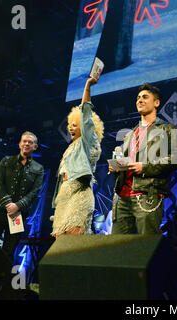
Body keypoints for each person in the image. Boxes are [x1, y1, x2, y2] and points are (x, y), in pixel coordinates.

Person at [109, 83, 177, 235]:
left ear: (156, 103)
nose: (140, 100)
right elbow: (127, 162)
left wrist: (145, 167)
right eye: (138, 98)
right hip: (122, 197)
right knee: (116, 251)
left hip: (148, 196)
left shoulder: (168, 129)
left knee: (145, 249)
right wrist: (116, 167)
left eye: (145, 97)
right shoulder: (130, 134)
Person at [51, 76, 104, 238]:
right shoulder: (70, 148)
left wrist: (87, 86)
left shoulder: (88, 142)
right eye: (69, 126)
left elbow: (85, 114)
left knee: (73, 241)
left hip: (79, 196)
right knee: (60, 245)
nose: (70, 128)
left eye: (74, 125)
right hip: (63, 198)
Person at [0, 131, 44, 263]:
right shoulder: (6, 161)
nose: (27, 144)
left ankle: (4, 282)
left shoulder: (38, 169)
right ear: (19, 144)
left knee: (9, 252)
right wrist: (8, 203)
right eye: (24, 141)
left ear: (35, 147)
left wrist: (17, 206)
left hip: (18, 215)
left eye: (30, 142)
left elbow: (34, 193)